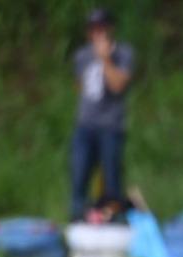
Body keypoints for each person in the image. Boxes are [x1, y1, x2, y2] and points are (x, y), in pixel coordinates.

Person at [70, 9, 134, 221]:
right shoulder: (81, 56)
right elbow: (80, 85)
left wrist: (105, 60)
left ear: (110, 29)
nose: (97, 33)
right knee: (79, 176)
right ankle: (79, 220)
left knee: (112, 179)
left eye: (101, 28)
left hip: (111, 127)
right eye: (93, 29)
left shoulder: (123, 54)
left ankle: (114, 221)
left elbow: (118, 86)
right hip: (85, 126)